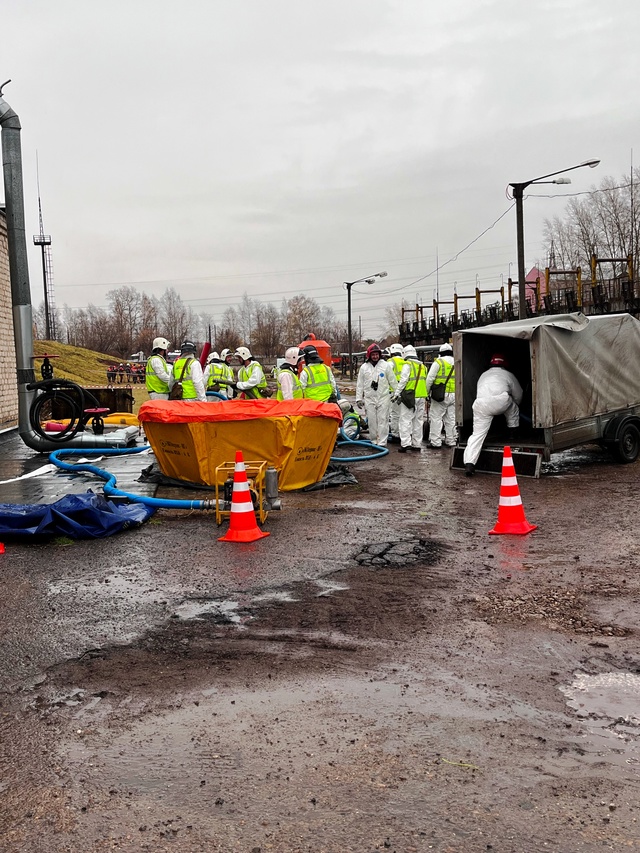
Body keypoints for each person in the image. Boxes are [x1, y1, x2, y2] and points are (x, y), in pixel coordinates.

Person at [463, 353, 523, 476]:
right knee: (513, 406)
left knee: (477, 435)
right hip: (501, 401)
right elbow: (518, 393)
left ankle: (469, 464)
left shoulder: (483, 375)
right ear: (504, 364)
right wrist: (517, 404)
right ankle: (513, 432)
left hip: (480, 404)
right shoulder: (508, 374)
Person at [355, 343, 397, 447]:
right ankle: (374, 441)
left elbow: (393, 381)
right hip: (369, 398)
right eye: (373, 355)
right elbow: (360, 384)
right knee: (372, 421)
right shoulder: (364, 368)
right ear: (369, 355)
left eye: (377, 354)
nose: (375, 357)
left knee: (383, 420)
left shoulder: (385, 365)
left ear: (380, 354)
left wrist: (397, 393)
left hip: (383, 398)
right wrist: (358, 398)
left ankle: (382, 442)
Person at [391, 345, 428, 453]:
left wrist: (396, 394)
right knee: (418, 421)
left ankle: (406, 444)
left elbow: (403, 381)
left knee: (405, 421)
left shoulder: (407, 365)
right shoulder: (423, 366)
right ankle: (417, 444)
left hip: (409, 397)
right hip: (421, 396)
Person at [425, 343, 456, 449]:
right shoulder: (457, 362)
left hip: (441, 395)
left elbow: (430, 379)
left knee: (436, 418)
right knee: (451, 419)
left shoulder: (439, 362)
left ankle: (435, 442)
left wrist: (427, 393)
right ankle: (451, 441)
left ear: (440, 353)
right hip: (454, 394)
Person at [386, 343, 405, 441]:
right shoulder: (406, 361)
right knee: (404, 414)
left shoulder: (390, 361)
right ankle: (404, 434)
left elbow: (385, 375)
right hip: (405, 391)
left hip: (394, 392)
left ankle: (395, 434)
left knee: (394, 414)